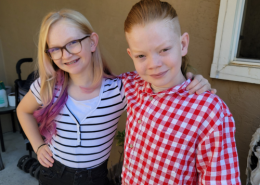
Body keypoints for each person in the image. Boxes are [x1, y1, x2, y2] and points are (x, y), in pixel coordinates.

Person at [17, 9, 212, 185]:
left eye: (73, 43)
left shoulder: (120, 89)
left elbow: (160, 78)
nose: (65, 54)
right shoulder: (48, 87)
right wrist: (38, 146)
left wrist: (192, 78)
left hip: (95, 177)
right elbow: (23, 111)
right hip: (53, 174)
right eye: (55, 49)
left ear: (92, 42)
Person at [119, 0, 241, 184]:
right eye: (141, 56)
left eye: (164, 49)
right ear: (131, 55)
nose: (154, 64)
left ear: (183, 44)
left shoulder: (209, 111)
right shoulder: (132, 85)